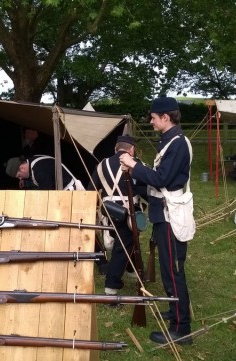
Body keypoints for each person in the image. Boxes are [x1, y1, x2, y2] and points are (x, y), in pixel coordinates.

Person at [119, 96, 193, 345]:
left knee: (173, 271)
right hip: (164, 214)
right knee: (168, 269)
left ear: (166, 117)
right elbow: (159, 178)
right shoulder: (170, 141)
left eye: (153, 117)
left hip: (171, 215)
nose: (150, 122)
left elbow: (161, 179)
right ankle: (175, 312)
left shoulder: (177, 144)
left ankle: (181, 329)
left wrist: (132, 164)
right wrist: (135, 169)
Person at [88, 135, 146, 295]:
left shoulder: (101, 165)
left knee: (127, 242)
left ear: (116, 148)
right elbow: (143, 190)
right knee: (123, 247)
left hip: (108, 211)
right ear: (131, 150)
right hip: (128, 211)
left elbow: (91, 189)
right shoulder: (136, 164)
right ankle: (111, 286)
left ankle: (131, 270)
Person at [16, 155, 84, 190]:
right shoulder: (32, 160)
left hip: (70, 190)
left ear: (22, 168)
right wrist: (25, 180)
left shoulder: (39, 170)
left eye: (19, 175)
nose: (20, 178)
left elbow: (47, 193)